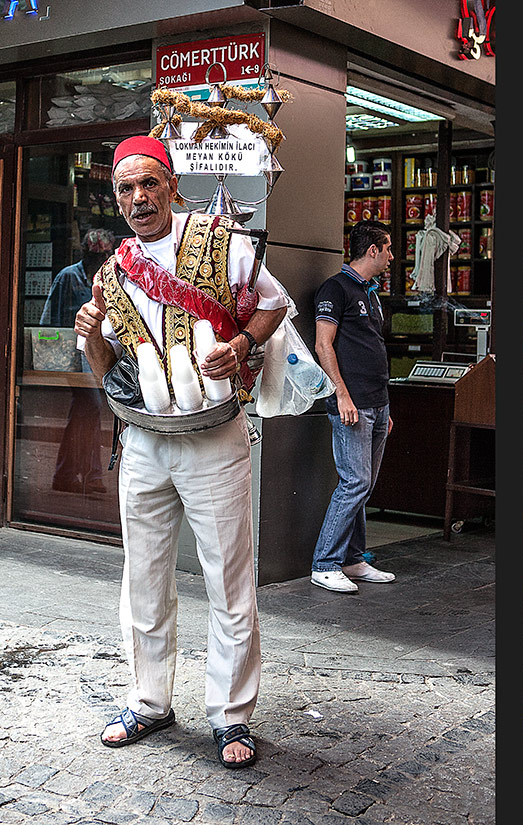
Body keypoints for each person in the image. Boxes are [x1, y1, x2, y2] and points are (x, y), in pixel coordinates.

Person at [74, 135, 289, 768]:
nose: (138, 199)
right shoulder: (112, 273)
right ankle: (148, 700)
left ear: (170, 184)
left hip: (213, 439)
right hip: (142, 440)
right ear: (116, 198)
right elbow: (105, 366)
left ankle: (230, 715)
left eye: (148, 184)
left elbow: (275, 304)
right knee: (142, 575)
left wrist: (242, 346)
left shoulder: (224, 243)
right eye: (125, 189)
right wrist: (90, 338)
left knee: (228, 578)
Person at [311, 220, 397, 594]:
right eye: (388, 249)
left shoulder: (371, 293)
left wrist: (385, 408)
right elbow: (323, 345)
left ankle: (353, 559)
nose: (392, 256)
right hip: (352, 403)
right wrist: (342, 395)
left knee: (364, 485)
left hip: (377, 404)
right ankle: (325, 563)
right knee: (355, 482)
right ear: (373, 250)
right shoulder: (336, 288)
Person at [41, 229, 115, 494]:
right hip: (72, 357)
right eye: (94, 255)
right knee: (91, 408)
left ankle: (65, 474)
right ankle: (92, 475)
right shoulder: (68, 276)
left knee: (82, 413)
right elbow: (50, 320)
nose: (98, 260)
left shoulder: (109, 277)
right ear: (84, 253)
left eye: (103, 255)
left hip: (97, 354)